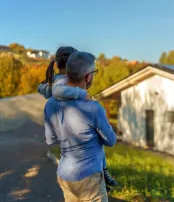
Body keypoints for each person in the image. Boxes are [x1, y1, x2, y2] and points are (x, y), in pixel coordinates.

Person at [38, 47, 118, 191]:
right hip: (89, 178)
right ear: (88, 76)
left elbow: (51, 139)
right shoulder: (92, 107)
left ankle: (105, 172)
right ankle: (105, 172)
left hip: (64, 175)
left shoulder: (50, 104)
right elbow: (111, 140)